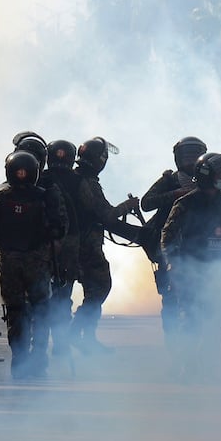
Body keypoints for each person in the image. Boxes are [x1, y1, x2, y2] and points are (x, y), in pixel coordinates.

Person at [160, 151, 221, 378]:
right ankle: (188, 365)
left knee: (214, 319)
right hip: (190, 272)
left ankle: (208, 365)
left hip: (217, 271)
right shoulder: (186, 203)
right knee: (190, 319)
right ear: (207, 174)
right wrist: (174, 264)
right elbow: (167, 237)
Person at [0, 149, 66, 378]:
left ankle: (19, 361)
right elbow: (59, 228)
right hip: (37, 263)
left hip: (9, 264)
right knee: (41, 312)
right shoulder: (45, 196)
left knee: (16, 312)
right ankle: (38, 360)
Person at [69, 136, 142, 354]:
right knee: (100, 286)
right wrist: (127, 206)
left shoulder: (72, 178)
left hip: (69, 245)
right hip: (85, 247)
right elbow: (107, 216)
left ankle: (82, 338)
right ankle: (76, 332)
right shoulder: (87, 183)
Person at [142, 135, 207, 335]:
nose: (190, 160)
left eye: (195, 155)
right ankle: (174, 346)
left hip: (199, 250)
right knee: (171, 301)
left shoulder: (207, 178)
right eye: (186, 156)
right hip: (170, 248)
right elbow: (146, 203)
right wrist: (175, 194)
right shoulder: (169, 180)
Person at [44, 139, 83, 360]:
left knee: (42, 297)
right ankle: (60, 344)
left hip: (43, 247)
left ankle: (36, 347)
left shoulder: (40, 179)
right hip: (68, 247)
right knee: (62, 295)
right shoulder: (80, 181)